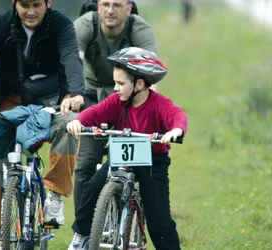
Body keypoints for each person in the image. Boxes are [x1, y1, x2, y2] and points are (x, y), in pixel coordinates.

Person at [0, 0, 85, 249]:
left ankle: (54, 195)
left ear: (48, 3)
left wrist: (74, 94)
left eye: (37, 5)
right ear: (15, 3)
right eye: (24, 5)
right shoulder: (0, 25)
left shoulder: (61, 26)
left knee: (70, 127)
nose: (30, 11)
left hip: (52, 102)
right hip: (7, 104)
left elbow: (70, 58)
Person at [66, 47, 187, 249]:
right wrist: (78, 121)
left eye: (120, 83)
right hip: (121, 154)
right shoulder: (117, 102)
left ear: (139, 84)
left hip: (152, 161)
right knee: (92, 188)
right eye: (115, 82)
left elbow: (178, 115)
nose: (115, 88)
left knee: (160, 220)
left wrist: (176, 130)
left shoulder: (159, 104)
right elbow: (94, 112)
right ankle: (82, 235)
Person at [72, 0, 159, 220]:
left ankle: (131, 220)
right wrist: (72, 95)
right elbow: (74, 63)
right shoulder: (85, 25)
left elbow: (151, 72)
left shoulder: (139, 29)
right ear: (98, 6)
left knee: (134, 164)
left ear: (128, 9)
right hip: (93, 98)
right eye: (106, 4)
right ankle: (82, 231)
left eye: (117, 5)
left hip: (130, 101)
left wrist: (149, 108)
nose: (110, 10)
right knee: (84, 165)